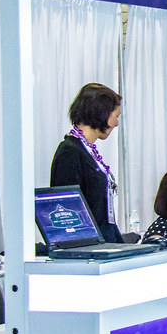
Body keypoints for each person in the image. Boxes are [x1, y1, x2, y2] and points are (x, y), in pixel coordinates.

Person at [50, 83, 123, 243]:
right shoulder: (70, 152)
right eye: (115, 116)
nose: (116, 123)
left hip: (105, 242)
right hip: (89, 247)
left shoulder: (87, 151)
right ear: (101, 113)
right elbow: (67, 210)